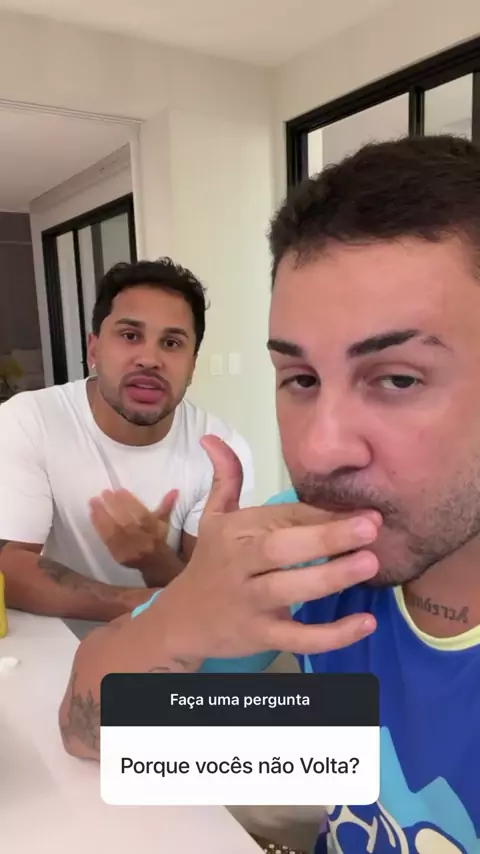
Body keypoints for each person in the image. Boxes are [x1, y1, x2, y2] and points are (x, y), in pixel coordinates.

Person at [59, 135, 480, 853]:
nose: (318, 450)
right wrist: (180, 616)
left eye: (398, 378)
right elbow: (94, 733)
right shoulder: (315, 552)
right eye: (301, 379)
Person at [0, 259, 253, 622]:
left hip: (172, 640)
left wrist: (154, 558)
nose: (149, 359)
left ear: (192, 365)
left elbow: (211, 599)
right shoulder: (29, 419)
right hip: (56, 637)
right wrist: (134, 603)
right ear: (94, 350)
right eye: (130, 336)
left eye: (171, 343)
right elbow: (7, 566)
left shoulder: (222, 453)